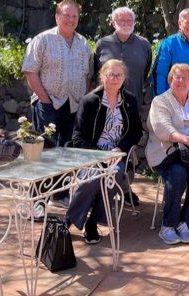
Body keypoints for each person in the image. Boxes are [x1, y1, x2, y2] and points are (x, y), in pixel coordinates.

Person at [66, 59, 143, 244]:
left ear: (124, 78)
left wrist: (120, 149)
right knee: (92, 179)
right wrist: (99, 155)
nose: (114, 79)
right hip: (92, 155)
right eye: (110, 74)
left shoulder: (130, 101)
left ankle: (92, 222)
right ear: (102, 76)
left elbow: (136, 131)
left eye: (118, 75)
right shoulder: (90, 101)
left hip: (117, 156)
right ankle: (69, 220)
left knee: (114, 176)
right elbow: (78, 137)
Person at [146, 64, 189, 245]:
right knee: (178, 173)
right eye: (176, 77)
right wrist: (187, 140)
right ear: (170, 81)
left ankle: (184, 222)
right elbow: (163, 130)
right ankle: (168, 226)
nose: (181, 81)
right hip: (167, 153)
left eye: (185, 77)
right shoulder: (160, 101)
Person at [23, 0, 92, 148]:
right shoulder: (43, 40)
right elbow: (30, 71)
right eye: (66, 15)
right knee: (47, 149)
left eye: (74, 16)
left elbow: (88, 75)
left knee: (70, 148)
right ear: (57, 17)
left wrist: (83, 99)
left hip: (74, 105)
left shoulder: (84, 43)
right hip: (48, 104)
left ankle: (67, 173)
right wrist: (45, 100)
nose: (70, 20)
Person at [93, 6, 153, 108]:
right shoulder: (102, 44)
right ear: (113, 23)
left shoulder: (144, 45)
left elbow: (144, 72)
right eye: (121, 20)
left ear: (134, 23)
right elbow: (95, 73)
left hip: (134, 105)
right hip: (105, 104)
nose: (126, 24)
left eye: (129, 20)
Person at [152, 8, 189, 97]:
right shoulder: (168, 44)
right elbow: (159, 74)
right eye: (187, 23)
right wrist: (160, 100)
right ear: (180, 24)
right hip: (173, 104)